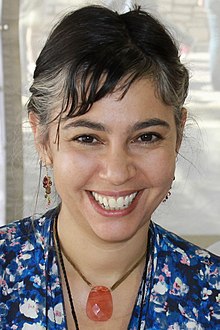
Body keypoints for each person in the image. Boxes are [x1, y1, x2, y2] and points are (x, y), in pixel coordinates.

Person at [0, 5, 220, 330]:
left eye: (146, 137)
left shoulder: (210, 294)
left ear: (178, 136)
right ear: (42, 139)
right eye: (88, 138)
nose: (117, 172)